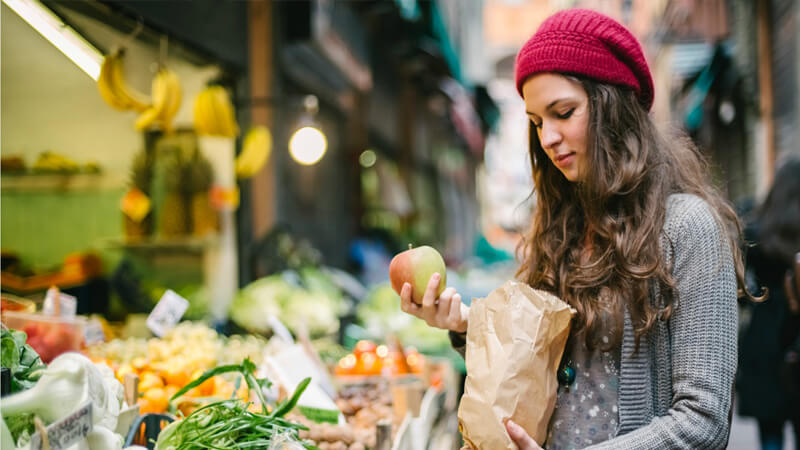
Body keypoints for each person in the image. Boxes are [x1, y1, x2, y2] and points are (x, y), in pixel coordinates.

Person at [398, 9, 755, 449]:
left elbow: (703, 421)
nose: (547, 137)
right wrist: (465, 326)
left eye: (563, 112)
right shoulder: (561, 230)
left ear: (613, 107)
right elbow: (549, 366)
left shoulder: (689, 228)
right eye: (536, 122)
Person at [737, 158, 800, 450]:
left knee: (770, 438)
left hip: (764, 342)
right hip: (795, 339)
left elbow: (745, 288)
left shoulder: (757, 234)